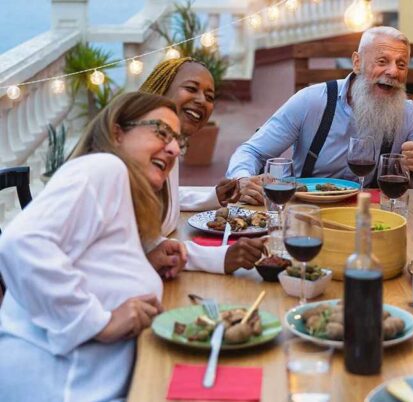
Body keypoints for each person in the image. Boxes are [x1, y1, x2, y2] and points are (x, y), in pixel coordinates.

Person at [0, 92, 179, 400]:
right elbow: (22, 242)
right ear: (117, 132)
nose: (175, 147)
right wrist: (97, 322)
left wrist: (145, 263)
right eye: (162, 131)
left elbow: (96, 266)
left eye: (179, 141)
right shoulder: (104, 167)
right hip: (59, 386)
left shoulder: (122, 192)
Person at [226, 26, 413, 205]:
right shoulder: (311, 101)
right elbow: (252, 151)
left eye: (401, 65)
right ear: (357, 63)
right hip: (306, 209)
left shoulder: (410, 116)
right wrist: (242, 179)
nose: (393, 72)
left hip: (371, 214)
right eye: (382, 61)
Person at [140, 57, 268, 276]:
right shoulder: (142, 148)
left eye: (210, 97)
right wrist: (222, 257)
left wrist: (215, 196)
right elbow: (145, 246)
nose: (202, 100)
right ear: (162, 89)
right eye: (191, 88)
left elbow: (165, 198)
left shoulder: (168, 143)